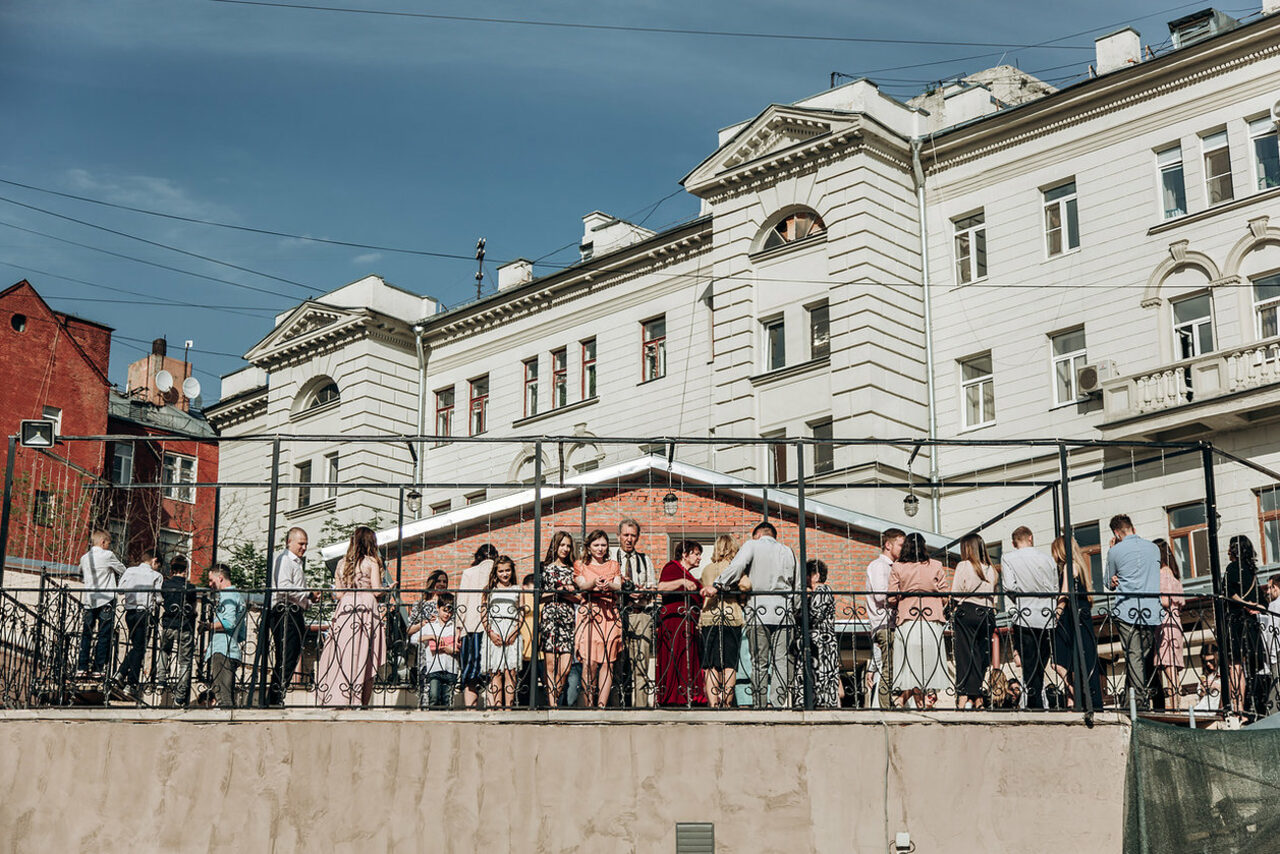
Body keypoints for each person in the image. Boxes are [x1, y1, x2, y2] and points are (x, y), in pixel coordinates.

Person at [715, 521, 799, 709]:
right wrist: (796, 611)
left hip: (758, 611)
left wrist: (719, 584)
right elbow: (798, 585)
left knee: (759, 663)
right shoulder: (788, 551)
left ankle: (760, 705)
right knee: (782, 662)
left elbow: (737, 566)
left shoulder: (752, 545)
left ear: (758, 535)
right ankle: (776, 705)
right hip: (784, 612)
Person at [314, 525, 387, 707]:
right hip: (365, 608)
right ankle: (359, 701)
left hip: (345, 609)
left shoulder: (342, 563)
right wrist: (387, 589)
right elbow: (377, 591)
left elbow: (338, 594)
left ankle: (337, 697)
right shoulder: (371, 562)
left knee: (342, 655)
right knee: (365, 655)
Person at [1105, 514, 1161, 711]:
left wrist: (1112, 552)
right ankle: (1131, 700)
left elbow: (1107, 582)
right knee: (1139, 656)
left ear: (1116, 533)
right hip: (1150, 610)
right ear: (1133, 528)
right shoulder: (1153, 548)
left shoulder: (1115, 551)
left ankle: (1138, 702)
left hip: (1126, 609)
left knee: (1134, 656)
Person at [888, 532, 948, 708]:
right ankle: (918, 703)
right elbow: (945, 595)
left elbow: (891, 597)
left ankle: (906, 700)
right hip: (932, 618)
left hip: (908, 618)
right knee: (928, 664)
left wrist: (902, 596)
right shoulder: (936, 565)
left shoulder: (898, 566)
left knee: (910, 664)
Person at [1001, 526, 1059, 710]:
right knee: (1041, 661)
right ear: (1031, 538)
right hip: (1046, 616)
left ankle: (1034, 702)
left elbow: (1009, 586)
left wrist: (1018, 599)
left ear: (1013, 543)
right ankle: (1038, 700)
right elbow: (1055, 588)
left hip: (1025, 614)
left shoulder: (1008, 558)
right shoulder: (1047, 559)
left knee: (1029, 662)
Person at [1050, 536, 1104, 712]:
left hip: (1071, 618)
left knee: (1059, 661)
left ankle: (1077, 695)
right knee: (1076, 659)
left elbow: (1065, 592)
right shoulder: (1079, 566)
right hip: (1078, 616)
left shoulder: (1069, 566)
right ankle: (1074, 697)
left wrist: (1055, 615)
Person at [574, 529, 623, 708]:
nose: (600, 548)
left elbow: (618, 585)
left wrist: (608, 585)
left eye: (603, 545)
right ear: (589, 547)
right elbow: (581, 585)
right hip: (590, 612)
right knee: (589, 662)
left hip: (609, 613)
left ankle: (601, 705)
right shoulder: (581, 564)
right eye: (596, 545)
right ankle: (589, 704)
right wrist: (594, 583)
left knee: (608, 662)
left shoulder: (613, 565)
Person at [655, 540, 707, 707]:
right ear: (685, 554)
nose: (699, 558)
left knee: (688, 657)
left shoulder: (692, 576)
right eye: (696, 554)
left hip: (688, 624)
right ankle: (673, 697)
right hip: (674, 622)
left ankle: (691, 695)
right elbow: (661, 587)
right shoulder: (672, 567)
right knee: (675, 657)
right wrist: (681, 582)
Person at [613, 518, 657, 708]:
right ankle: (617, 707)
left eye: (633, 535)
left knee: (641, 664)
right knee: (617, 664)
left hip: (640, 614)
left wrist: (643, 591)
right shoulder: (611, 559)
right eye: (625, 535)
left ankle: (640, 709)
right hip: (616, 615)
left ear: (637, 537)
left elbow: (654, 587)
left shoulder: (645, 560)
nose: (629, 539)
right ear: (618, 536)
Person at [267, 526, 313, 706]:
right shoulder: (285, 560)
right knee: (286, 656)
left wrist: (308, 600)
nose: (304, 548)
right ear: (289, 542)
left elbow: (295, 591)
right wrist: (308, 594)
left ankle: (277, 696)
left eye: (306, 544)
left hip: (293, 611)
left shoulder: (295, 562)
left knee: (290, 656)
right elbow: (284, 587)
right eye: (301, 544)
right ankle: (274, 698)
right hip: (285, 612)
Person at [951, 534, 997, 709]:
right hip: (987, 614)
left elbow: (956, 592)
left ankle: (963, 696)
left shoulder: (964, 565)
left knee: (965, 656)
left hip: (968, 611)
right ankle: (977, 697)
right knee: (980, 656)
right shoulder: (992, 569)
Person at [699, 534, 744, 708]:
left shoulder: (707, 569)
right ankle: (726, 703)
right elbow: (747, 585)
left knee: (711, 665)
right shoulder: (735, 568)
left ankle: (712, 704)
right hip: (731, 618)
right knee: (729, 665)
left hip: (709, 618)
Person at [864, 528, 904, 709]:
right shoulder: (879, 566)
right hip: (884, 624)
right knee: (889, 668)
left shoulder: (893, 566)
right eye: (900, 545)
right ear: (888, 545)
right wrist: (904, 593)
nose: (903, 549)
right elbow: (881, 596)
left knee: (892, 666)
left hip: (891, 624)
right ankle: (885, 706)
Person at [76, 529, 126, 676]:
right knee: (104, 635)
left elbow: (80, 574)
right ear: (103, 542)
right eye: (108, 543)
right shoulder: (108, 555)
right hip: (106, 599)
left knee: (86, 634)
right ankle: (98, 669)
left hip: (89, 600)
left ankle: (81, 667)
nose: (109, 546)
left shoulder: (84, 558)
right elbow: (123, 570)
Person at [1224, 535, 1264, 714]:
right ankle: (1257, 704)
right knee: (1253, 666)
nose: (1227, 551)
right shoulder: (1251, 571)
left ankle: (1238, 707)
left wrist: (1245, 604)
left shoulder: (1232, 568)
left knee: (1236, 665)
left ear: (1234, 549)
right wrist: (1255, 607)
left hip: (1236, 622)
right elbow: (1262, 602)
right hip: (1252, 624)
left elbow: (1228, 592)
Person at [795, 559, 842, 708]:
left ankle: (821, 704)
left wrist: (799, 611)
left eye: (806, 575)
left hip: (822, 644)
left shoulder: (822, 590)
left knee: (821, 677)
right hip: (818, 643)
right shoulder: (818, 592)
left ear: (815, 575)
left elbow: (814, 614)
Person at [115, 549, 164, 691]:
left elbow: (120, 590)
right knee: (140, 648)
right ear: (155, 561)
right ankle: (131, 682)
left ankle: (121, 673)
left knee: (137, 647)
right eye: (158, 565)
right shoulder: (156, 576)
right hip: (144, 613)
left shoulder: (130, 571)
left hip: (129, 613)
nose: (157, 568)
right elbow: (159, 598)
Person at [540, 530, 578, 707]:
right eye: (562, 545)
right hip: (550, 616)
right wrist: (557, 592)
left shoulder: (573, 569)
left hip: (567, 617)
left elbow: (579, 597)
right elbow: (539, 596)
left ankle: (554, 693)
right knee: (550, 665)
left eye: (568, 546)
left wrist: (567, 593)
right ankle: (553, 704)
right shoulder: (545, 568)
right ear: (555, 546)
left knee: (566, 667)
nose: (565, 549)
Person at [457, 544, 497, 708]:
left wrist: (458, 629)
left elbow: (462, 602)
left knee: (470, 673)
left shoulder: (469, 573)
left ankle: (470, 710)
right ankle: (493, 708)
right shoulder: (499, 572)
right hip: (495, 628)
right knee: (493, 671)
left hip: (471, 627)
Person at [157, 554, 200, 706]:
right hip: (185, 626)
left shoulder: (165, 585)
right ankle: (180, 696)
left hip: (168, 624)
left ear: (172, 569)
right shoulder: (190, 588)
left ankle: (161, 679)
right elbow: (193, 607)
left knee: (164, 651)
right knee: (185, 661)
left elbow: (162, 600)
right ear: (186, 570)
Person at [481, 555, 523, 709]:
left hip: (511, 632)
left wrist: (515, 632)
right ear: (495, 572)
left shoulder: (518, 589)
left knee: (510, 672)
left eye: (507, 570)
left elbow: (522, 612)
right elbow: (483, 613)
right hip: (494, 632)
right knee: (496, 672)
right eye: (501, 571)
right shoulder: (489, 590)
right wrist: (490, 633)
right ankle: (497, 707)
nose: (505, 574)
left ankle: (509, 708)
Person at [204, 563, 247, 709]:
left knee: (223, 696)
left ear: (220, 578)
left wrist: (208, 626)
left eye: (212, 580)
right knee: (226, 693)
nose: (210, 584)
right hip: (231, 649)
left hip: (222, 651)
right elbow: (241, 634)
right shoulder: (238, 597)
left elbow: (229, 623)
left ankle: (226, 721)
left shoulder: (227, 596)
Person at [1152, 538, 1187, 711]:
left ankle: (1174, 708)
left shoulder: (1162, 573)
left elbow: (1164, 600)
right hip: (1175, 623)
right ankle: (1177, 706)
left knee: (1169, 668)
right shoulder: (1173, 574)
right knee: (1173, 670)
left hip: (1165, 624)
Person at [411, 592, 458, 709]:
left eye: (450, 611)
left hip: (450, 668)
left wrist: (449, 649)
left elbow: (458, 646)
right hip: (434, 668)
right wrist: (431, 637)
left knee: (447, 700)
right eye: (444, 610)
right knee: (434, 697)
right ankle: (433, 719)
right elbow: (413, 639)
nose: (447, 614)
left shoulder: (454, 627)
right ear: (438, 608)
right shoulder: (431, 626)